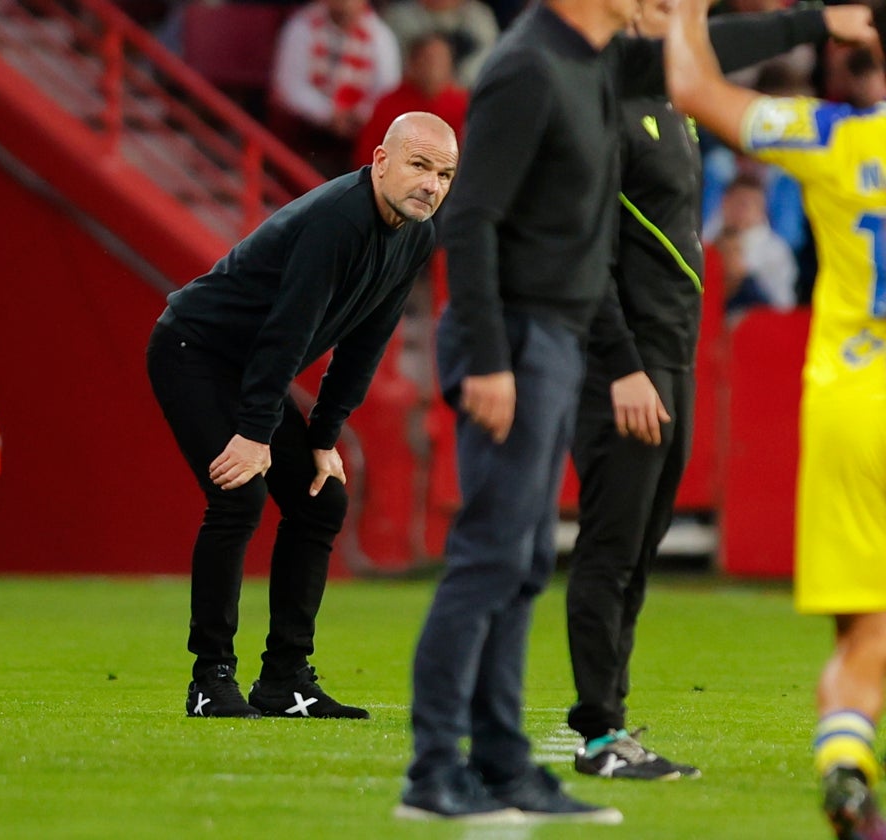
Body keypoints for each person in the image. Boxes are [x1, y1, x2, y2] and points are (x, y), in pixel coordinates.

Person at [396, 0, 856, 823]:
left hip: (568, 341)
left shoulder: (599, 66)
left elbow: (708, 49)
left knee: (528, 558)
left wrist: (821, 21)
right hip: (533, 345)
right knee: (492, 559)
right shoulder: (530, 65)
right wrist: (499, 358)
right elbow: (470, 219)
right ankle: (438, 772)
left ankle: (504, 767)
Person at [565, 0, 851, 782]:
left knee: (641, 545)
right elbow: (581, 255)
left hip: (674, 353)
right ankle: (597, 731)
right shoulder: (602, 100)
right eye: (659, 8)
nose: (677, 21)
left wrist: (822, 22)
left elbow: (724, 46)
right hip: (625, 362)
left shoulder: (670, 97)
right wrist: (620, 363)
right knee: (610, 544)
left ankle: (611, 717)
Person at [146, 112, 458, 720]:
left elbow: (367, 341)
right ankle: (210, 679)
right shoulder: (339, 219)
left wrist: (323, 436)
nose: (432, 184)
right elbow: (284, 335)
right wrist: (255, 434)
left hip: (252, 367)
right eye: (420, 166)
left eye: (444, 174)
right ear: (381, 160)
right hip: (196, 351)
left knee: (321, 500)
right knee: (237, 497)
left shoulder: (418, 233)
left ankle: (285, 680)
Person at [665, 1, 884, 837]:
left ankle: (844, 760)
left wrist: (688, 6)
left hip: (853, 402)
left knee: (864, 632)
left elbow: (689, 85)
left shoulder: (836, 135)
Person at [269, 0, 402, 178]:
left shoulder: (380, 35)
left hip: (357, 125)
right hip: (310, 124)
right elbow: (289, 86)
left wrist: (359, 114)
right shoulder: (302, 27)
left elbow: (387, 90)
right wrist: (329, 113)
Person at [354, 34, 469, 168]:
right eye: (427, 59)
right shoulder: (389, 105)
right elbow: (367, 156)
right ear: (412, 62)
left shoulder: (464, 105)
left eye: (440, 59)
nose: (434, 66)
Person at [711, 172, 798, 320]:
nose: (741, 211)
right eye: (737, 203)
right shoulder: (707, 236)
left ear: (761, 210)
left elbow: (783, 307)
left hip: (760, 324)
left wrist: (740, 276)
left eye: (749, 205)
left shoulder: (776, 251)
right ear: (725, 202)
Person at [382, 0, 499, 88]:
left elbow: (490, 62)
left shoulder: (480, 18)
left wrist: (455, 83)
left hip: (469, 94)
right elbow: (393, 68)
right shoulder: (400, 19)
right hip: (413, 95)